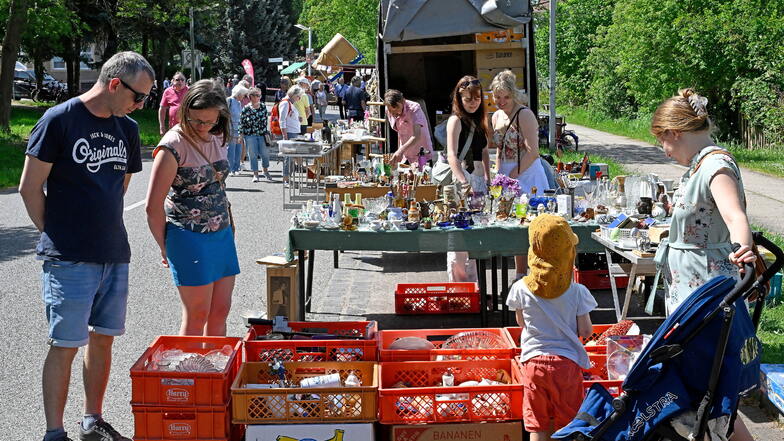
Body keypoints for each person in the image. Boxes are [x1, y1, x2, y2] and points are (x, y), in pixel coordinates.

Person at [19, 50, 154, 441]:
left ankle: (92, 420)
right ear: (114, 84)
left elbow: (122, 185)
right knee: (65, 344)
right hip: (69, 258)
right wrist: (56, 232)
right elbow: (29, 187)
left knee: (104, 338)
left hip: (114, 252)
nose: (140, 105)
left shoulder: (126, 128)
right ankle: (54, 431)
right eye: (137, 97)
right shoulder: (59, 120)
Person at [145, 79, 240, 337]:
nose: (203, 127)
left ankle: (215, 372)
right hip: (188, 235)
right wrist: (165, 247)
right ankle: (191, 375)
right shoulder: (172, 145)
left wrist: (230, 223)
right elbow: (153, 207)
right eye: (197, 121)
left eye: (210, 121)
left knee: (221, 310)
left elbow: (219, 187)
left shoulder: (218, 136)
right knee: (197, 314)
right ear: (185, 110)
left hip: (221, 233)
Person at [505, 214, 597, 441]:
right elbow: (586, 332)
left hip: (533, 363)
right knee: (568, 424)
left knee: (537, 423)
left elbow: (521, 323)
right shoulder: (578, 291)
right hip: (566, 365)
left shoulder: (520, 288)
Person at [491, 69, 549, 280]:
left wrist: (513, 175)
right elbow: (498, 148)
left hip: (527, 171)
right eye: (497, 97)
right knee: (515, 224)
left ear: (513, 94)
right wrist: (498, 174)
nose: (501, 101)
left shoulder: (524, 114)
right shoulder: (496, 116)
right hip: (506, 172)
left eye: (506, 97)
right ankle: (520, 272)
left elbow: (533, 152)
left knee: (533, 222)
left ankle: (541, 271)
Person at [442, 76, 491, 282]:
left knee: (477, 233)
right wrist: (463, 181)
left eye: (477, 98)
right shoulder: (455, 120)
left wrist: (489, 178)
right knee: (459, 233)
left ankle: (475, 286)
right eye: (468, 99)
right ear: (459, 99)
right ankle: (459, 285)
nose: (473, 102)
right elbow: (451, 155)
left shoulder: (480, 120)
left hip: (479, 180)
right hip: (462, 180)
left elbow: (485, 151)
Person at [384, 89, 433, 171]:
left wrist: (400, 150)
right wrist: (399, 151)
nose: (394, 114)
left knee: (423, 180)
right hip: (406, 154)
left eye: (396, 110)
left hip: (421, 153)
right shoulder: (389, 109)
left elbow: (416, 135)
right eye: (391, 111)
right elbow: (400, 132)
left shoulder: (414, 108)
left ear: (402, 102)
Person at [239, 86, 272, 182]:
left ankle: (265, 170)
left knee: (265, 154)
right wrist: (241, 135)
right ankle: (255, 174)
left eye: (260, 95)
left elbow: (266, 121)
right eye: (257, 95)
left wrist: (269, 131)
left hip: (262, 134)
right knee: (252, 154)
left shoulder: (263, 107)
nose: (259, 97)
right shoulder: (246, 109)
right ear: (251, 96)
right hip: (250, 135)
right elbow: (241, 122)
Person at [279, 86, 304, 187]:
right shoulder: (285, 103)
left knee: (291, 158)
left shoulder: (289, 103)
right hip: (289, 133)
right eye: (299, 96)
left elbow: (288, 117)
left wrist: (298, 118)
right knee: (288, 158)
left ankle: (288, 178)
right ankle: (286, 179)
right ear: (293, 95)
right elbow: (282, 120)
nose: (299, 99)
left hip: (292, 133)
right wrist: (285, 135)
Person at [226, 85, 248, 176]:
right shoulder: (229, 101)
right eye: (243, 95)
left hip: (238, 129)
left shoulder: (239, 103)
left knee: (238, 149)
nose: (243, 97)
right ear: (239, 94)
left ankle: (236, 168)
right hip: (230, 128)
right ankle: (230, 169)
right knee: (231, 149)